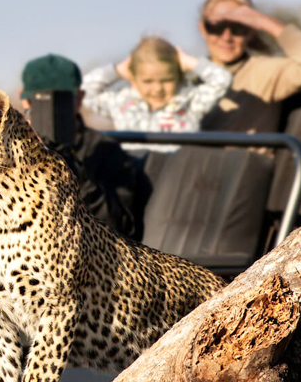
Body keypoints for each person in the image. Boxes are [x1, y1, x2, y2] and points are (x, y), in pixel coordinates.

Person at [18, 54, 151, 241]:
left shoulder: (105, 150)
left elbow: (120, 228)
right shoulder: (9, 151)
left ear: (79, 99)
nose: (52, 111)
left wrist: (74, 172)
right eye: (40, 102)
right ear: (25, 101)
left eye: (61, 102)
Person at [196, 0, 301, 133]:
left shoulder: (264, 72)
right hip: (190, 156)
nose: (227, 37)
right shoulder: (186, 74)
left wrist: (264, 22)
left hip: (243, 156)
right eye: (216, 27)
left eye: (238, 28)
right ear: (203, 29)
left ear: (251, 31)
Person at [81, 37, 231, 157]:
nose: (157, 89)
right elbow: (85, 91)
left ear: (179, 75)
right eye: (148, 81)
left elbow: (222, 80)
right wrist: (117, 70)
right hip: (136, 179)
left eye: (167, 80)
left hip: (179, 179)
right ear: (132, 77)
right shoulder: (122, 102)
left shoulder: (190, 102)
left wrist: (188, 61)